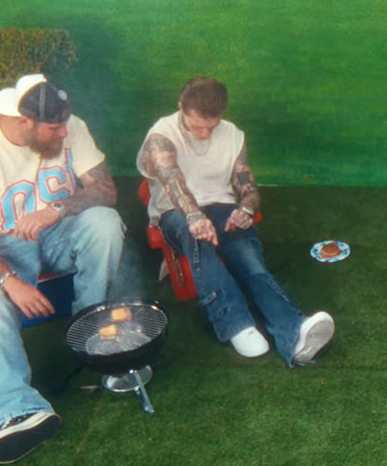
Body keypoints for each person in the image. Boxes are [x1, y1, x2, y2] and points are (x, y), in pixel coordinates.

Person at [0, 73, 130, 464]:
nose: (64, 132)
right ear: (23, 121)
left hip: (61, 228)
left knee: (106, 223)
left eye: (64, 123)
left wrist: (56, 209)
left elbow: (106, 191)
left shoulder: (70, 126)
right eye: (53, 127)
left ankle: (91, 336)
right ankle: (17, 411)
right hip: (4, 244)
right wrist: (11, 283)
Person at [137, 77, 334, 365]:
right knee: (197, 237)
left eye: (211, 126)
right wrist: (195, 216)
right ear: (181, 108)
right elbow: (172, 182)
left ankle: (295, 334)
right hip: (174, 213)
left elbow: (248, 188)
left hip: (221, 207)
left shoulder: (232, 135)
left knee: (249, 261)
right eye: (197, 126)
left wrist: (245, 209)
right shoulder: (160, 135)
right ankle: (236, 324)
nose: (205, 134)